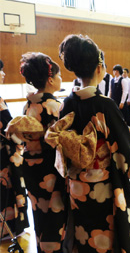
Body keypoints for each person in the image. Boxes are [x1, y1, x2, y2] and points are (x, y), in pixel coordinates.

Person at [55, 34, 130, 252]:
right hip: (101, 186)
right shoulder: (105, 105)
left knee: (82, 232)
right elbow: (123, 146)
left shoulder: (66, 104)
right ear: (99, 68)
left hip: (76, 184)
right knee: (105, 235)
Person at [16, 52, 66, 252]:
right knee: (56, 215)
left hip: (30, 166)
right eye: (60, 75)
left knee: (39, 213)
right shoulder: (54, 106)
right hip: (50, 168)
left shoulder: (27, 105)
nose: (62, 79)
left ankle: (42, 248)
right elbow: (60, 141)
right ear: (51, 79)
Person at [0, 60, 29, 239]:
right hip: (4, 154)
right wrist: (23, 142)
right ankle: (8, 227)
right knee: (6, 189)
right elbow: (7, 129)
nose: (3, 74)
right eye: (0, 71)